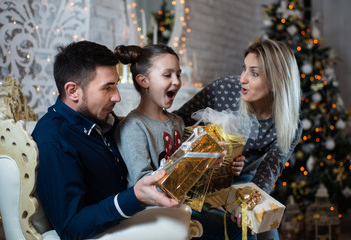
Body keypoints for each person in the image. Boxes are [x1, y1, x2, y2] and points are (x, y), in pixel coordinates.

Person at [32, 41, 183, 240]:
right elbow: (71, 228)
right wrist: (134, 197)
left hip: (142, 216)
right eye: (107, 88)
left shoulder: (102, 120)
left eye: (116, 85)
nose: (117, 97)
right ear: (72, 91)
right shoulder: (54, 139)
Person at [174, 39, 303, 240]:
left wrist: (248, 206)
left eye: (254, 73)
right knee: (241, 232)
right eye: (244, 69)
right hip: (202, 178)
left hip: (244, 181)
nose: (243, 78)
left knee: (268, 233)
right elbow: (176, 123)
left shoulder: (290, 126)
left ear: (277, 80)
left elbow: (268, 171)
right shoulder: (222, 90)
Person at [113, 44, 245, 240]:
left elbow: (191, 178)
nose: (176, 81)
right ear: (144, 80)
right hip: (152, 210)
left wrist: (215, 165)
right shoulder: (133, 127)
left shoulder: (177, 123)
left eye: (178, 74)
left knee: (241, 223)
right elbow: (146, 184)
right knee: (231, 229)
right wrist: (194, 163)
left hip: (184, 204)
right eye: (167, 75)